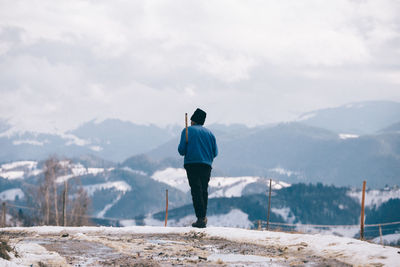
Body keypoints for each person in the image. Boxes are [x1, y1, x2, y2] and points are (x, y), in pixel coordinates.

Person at [178, 108, 218, 228]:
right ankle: (203, 217)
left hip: (191, 163)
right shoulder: (210, 134)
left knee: (196, 190)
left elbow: (181, 150)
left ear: (193, 120)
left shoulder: (187, 131)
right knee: (203, 190)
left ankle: (200, 218)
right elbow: (215, 152)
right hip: (206, 165)